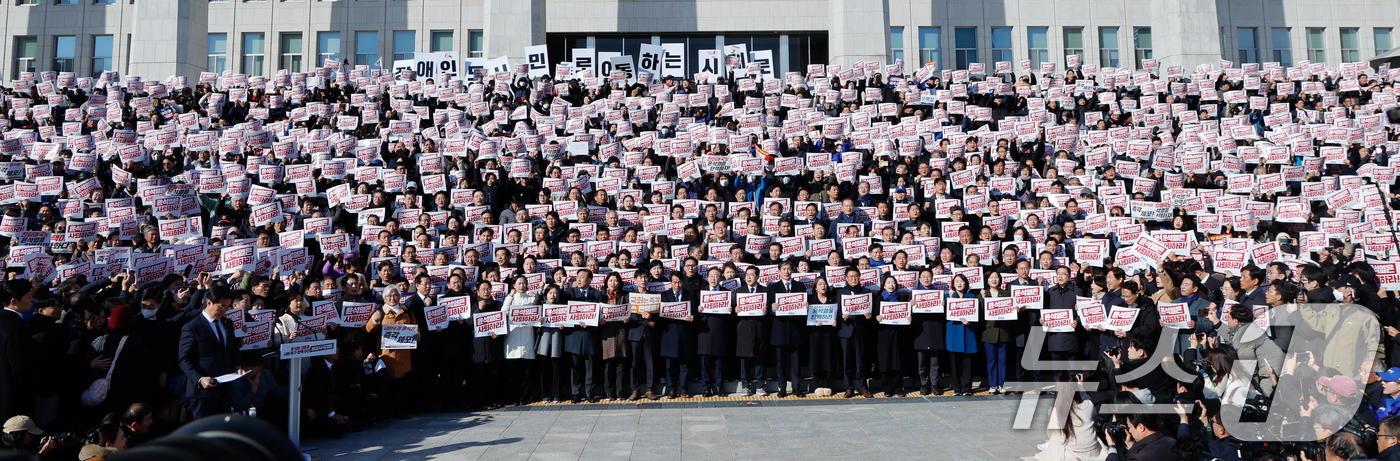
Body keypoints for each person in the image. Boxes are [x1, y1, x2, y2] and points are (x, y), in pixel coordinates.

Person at [178, 285, 242, 420]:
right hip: (202, 393)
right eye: (221, 306)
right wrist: (200, 379)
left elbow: (232, 350)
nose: (224, 310)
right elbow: (184, 359)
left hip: (224, 389)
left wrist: (238, 367)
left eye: (227, 306)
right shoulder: (192, 327)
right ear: (209, 302)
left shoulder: (227, 323)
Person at [1032, 373, 1104, 460]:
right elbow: (1087, 406)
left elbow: (1052, 432)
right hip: (1093, 452)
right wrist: (1080, 385)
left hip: (1071, 455)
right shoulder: (1088, 405)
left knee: (1056, 434)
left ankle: (1049, 445)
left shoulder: (1057, 411)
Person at [766, 261, 805, 398]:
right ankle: (782, 388)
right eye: (784, 269)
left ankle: (796, 388)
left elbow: (803, 308)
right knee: (780, 362)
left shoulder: (800, 286)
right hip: (780, 330)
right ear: (779, 271)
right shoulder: (773, 287)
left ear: (792, 271)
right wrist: (773, 308)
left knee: (796, 362)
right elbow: (769, 309)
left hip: (795, 329)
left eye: (789, 269)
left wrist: (805, 306)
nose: (787, 272)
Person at [0, 280, 36, 423]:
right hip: (13, 398)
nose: (32, 300)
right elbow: (20, 366)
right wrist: (35, 388)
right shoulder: (16, 327)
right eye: (29, 296)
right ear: (14, 301)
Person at [835, 267, 873, 398]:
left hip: (861, 330)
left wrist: (869, 316)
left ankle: (862, 387)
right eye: (851, 276)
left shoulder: (866, 291)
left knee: (861, 361)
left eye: (856, 276)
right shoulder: (841, 292)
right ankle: (849, 388)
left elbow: (870, 312)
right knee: (847, 361)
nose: (854, 279)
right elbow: (838, 312)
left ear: (860, 277)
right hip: (846, 330)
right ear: (846, 278)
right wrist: (843, 316)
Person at [659, 273, 697, 398]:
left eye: (679, 282)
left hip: (685, 334)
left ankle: (683, 388)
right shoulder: (664, 296)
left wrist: (693, 318)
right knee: (670, 365)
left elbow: (696, 313)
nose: (677, 285)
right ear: (670, 282)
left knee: (684, 364)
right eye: (674, 282)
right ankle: (671, 389)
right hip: (669, 335)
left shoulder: (690, 295)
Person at [873, 275, 908, 397]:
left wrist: (908, 318)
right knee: (885, 361)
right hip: (884, 334)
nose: (891, 285)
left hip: (898, 334)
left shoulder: (902, 298)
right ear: (883, 285)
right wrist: (876, 318)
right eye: (888, 283)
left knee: (898, 361)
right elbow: (873, 318)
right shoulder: (879, 299)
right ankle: (887, 388)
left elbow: (906, 316)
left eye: (893, 283)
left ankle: (898, 388)